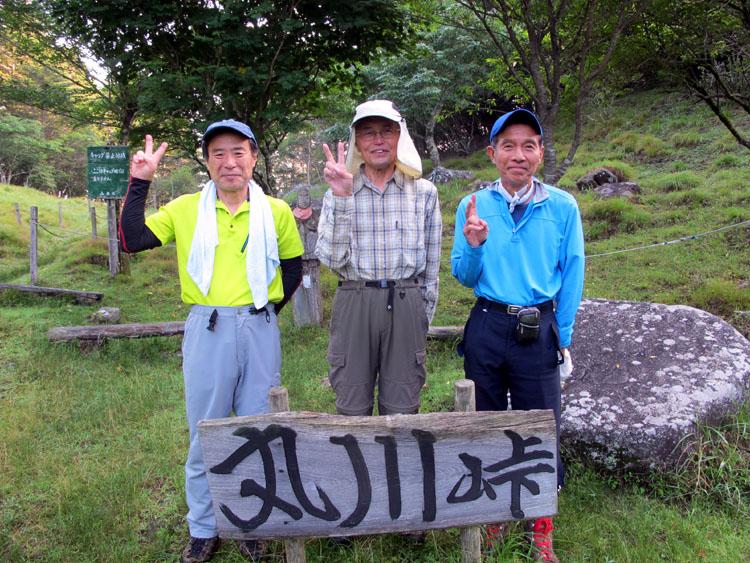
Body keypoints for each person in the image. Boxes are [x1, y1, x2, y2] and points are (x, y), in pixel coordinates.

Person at [119, 120, 303, 563]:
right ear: (207, 161)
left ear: (253, 158)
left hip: (259, 326)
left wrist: (263, 314)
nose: (229, 162)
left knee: (258, 430)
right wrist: (139, 182)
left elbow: (293, 269)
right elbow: (132, 239)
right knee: (206, 431)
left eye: (238, 152)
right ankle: (204, 527)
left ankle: (251, 522)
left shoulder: (274, 210)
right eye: (218, 153)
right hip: (208, 327)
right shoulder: (187, 208)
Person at [451, 109, 584, 562]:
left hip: (538, 325)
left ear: (541, 153)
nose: (518, 155)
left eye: (529, 145)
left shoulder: (562, 207)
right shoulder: (473, 205)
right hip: (488, 323)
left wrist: (561, 334)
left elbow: (573, 274)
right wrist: (473, 244)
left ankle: (540, 526)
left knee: (542, 424)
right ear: (492, 154)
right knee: (485, 420)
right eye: (508, 145)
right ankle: (492, 519)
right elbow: (464, 276)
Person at [315, 99, 442, 418]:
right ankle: (356, 467)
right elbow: (331, 258)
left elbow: (430, 268)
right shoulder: (339, 190)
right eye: (368, 132)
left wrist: (419, 318)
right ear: (357, 141)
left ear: (401, 137)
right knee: (351, 407)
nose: (379, 140)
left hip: (405, 302)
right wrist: (343, 198)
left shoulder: (424, 192)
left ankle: (401, 469)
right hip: (354, 301)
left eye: (387, 131)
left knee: (401, 410)